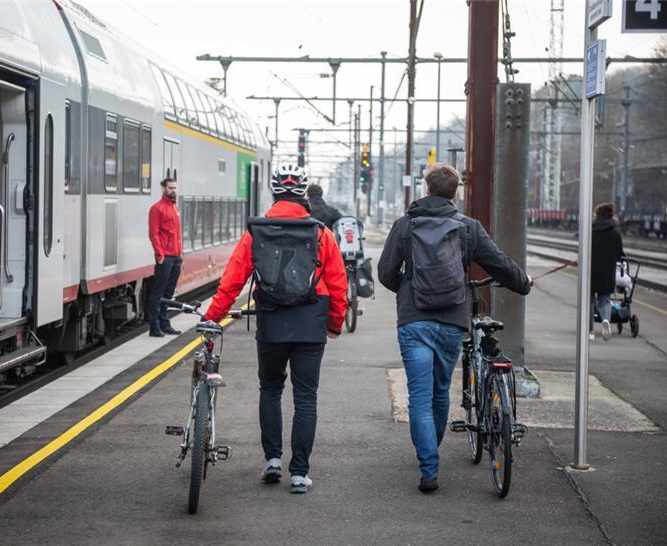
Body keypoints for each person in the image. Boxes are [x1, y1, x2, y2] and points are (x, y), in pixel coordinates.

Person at [377, 163, 531, 494]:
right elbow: (499, 264)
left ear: (426, 189)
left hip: (414, 322)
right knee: (439, 391)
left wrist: (410, 290)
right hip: (450, 322)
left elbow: (386, 272)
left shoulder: (404, 225)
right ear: (456, 192)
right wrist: (524, 283)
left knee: (418, 395)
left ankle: (428, 466)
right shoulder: (468, 228)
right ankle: (431, 450)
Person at [203, 164, 348, 494]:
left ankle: (271, 460)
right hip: (311, 324)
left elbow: (232, 281)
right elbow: (339, 285)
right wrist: (335, 324)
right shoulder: (321, 234)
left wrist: (213, 317)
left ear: (274, 192)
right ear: (303, 193)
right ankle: (299, 473)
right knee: (305, 397)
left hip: (271, 321)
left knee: (270, 389)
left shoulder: (258, 232)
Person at [147, 178, 183, 337]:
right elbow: (153, 233)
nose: (173, 190)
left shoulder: (174, 207)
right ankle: (154, 327)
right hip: (165, 258)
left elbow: (177, 234)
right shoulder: (157, 209)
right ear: (163, 189)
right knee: (158, 293)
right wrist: (159, 255)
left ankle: (165, 323)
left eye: (175, 187)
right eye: (170, 188)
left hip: (175, 257)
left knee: (168, 294)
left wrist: (180, 254)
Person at [590, 202, 625, 341]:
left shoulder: (591, 230)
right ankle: (605, 320)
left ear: (597, 215)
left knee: (590, 302)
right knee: (604, 300)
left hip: (591, 272)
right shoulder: (615, 232)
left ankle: (590, 331)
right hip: (607, 272)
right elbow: (619, 254)